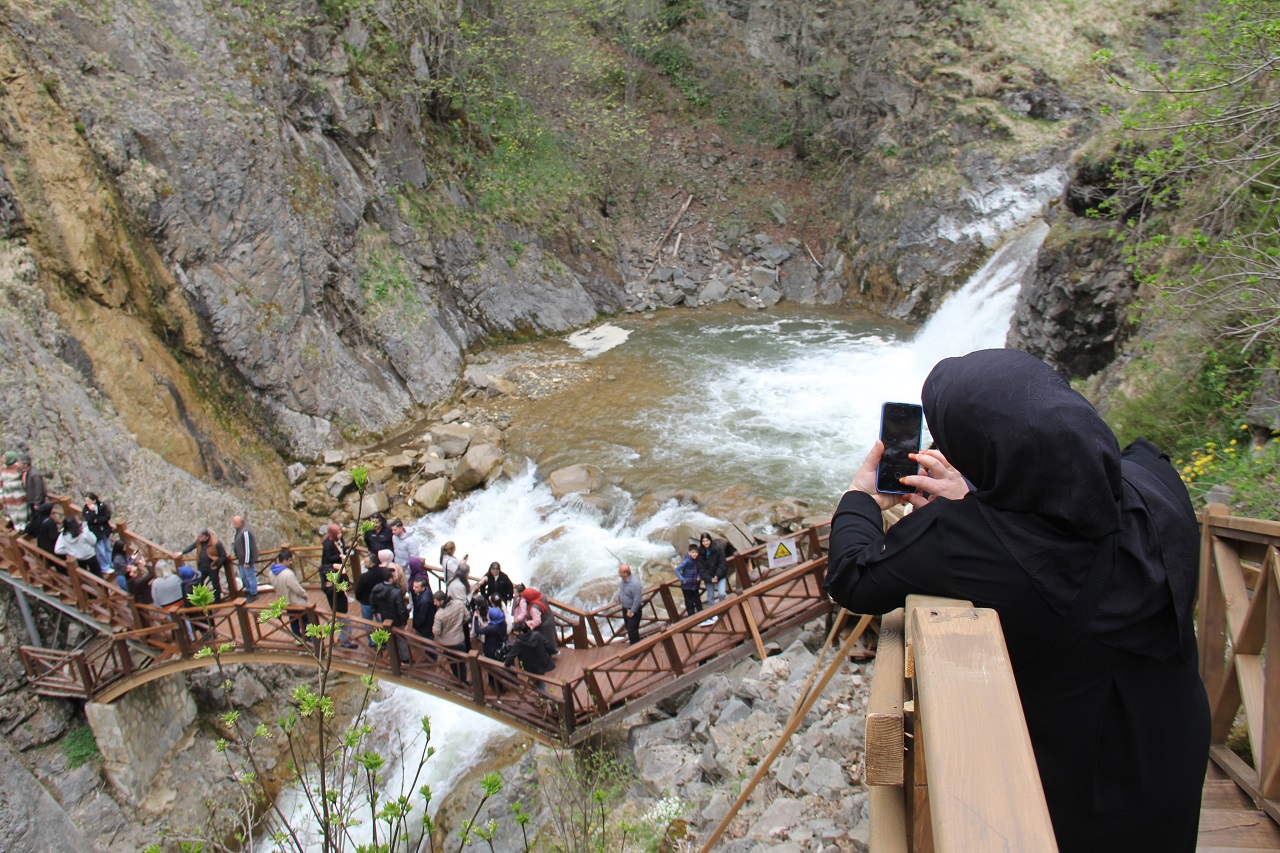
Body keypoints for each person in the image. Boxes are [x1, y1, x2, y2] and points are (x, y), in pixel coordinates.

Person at [823, 349, 1210, 853]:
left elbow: (853, 577)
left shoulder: (972, 541)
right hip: (1173, 744)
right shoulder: (1155, 479)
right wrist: (985, 491)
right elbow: (1076, 500)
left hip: (1081, 771)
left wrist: (860, 496)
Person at [319, 524, 356, 647]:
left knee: (342, 618)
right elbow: (328, 558)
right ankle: (345, 642)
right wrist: (339, 558)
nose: (340, 535)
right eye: (338, 533)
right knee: (343, 618)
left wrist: (345, 551)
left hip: (336, 574)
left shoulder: (339, 540)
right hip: (339, 603)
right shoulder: (327, 545)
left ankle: (343, 639)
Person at [370, 565, 410, 663]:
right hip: (396, 619)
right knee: (400, 639)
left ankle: (392, 655)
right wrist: (404, 622)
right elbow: (401, 609)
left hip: (384, 617)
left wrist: (378, 610)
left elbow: (371, 601)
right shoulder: (396, 592)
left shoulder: (377, 588)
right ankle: (404, 659)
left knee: (389, 635)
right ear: (391, 579)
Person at [177, 530, 228, 603]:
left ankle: (217, 601)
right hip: (202, 566)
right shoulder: (199, 541)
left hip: (212, 567)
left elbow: (223, 555)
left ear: (205, 537)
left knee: (215, 585)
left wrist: (217, 565)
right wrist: (182, 552)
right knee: (198, 583)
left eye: (200, 537)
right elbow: (192, 546)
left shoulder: (216, 543)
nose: (198, 538)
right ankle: (203, 600)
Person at [269, 548, 310, 639]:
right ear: (284, 561)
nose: (291, 562)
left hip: (284, 601)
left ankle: (298, 639)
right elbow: (296, 588)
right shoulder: (288, 574)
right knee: (306, 619)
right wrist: (305, 595)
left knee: (293, 620)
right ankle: (310, 639)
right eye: (289, 560)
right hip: (295, 601)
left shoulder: (271, 572)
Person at [503, 621, 556, 690]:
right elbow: (548, 645)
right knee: (539, 681)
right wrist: (547, 655)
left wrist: (507, 664)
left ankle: (545, 699)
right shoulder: (537, 635)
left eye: (516, 631)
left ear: (521, 632)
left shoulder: (519, 643)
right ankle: (542, 697)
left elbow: (510, 656)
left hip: (530, 668)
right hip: (542, 662)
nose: (515, 633)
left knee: (539, 684)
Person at [432, 591, 468, 682]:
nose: (434, 603)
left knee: (453, 663)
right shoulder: (459, 604)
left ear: (442, 601)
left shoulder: (439, 614)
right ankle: (464, 681)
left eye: (436, 601)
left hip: (447, 643)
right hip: (459, 639)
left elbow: (436, 631)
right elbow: (467, 617)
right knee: (461, 662)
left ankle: (458, 680)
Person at [230, 514, 259, 602]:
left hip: (246, 561)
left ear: (239, 523)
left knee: (250, 576)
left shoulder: (245, 531)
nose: (233, 524)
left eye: (234, 523)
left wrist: (247, 561)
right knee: (244, 577)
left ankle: (254, 593)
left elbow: (247, 547)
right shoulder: (240, 530)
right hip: (241, 560)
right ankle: (248, 591)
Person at [82, 493, 113, 576]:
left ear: (94, 500)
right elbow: (88, 519)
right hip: (95, 532)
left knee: (108, 547)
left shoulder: (102, 506)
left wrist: (97, 520)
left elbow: (107, 516)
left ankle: (110, 563)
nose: (86, 502)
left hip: (104, 530)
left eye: (88, 501)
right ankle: (105, 567)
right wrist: (92, 512)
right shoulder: (86, 509)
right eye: (85, 501)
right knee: (100, 550)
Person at [698, 532, 728, 609]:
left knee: (722, 593)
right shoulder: (700, 553)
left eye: (707, 540)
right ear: (701, 542)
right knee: (710, 596)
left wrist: (717, 576)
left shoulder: (718, 549)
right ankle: (713, 612)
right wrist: (710, 578)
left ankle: (723, 607)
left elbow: (722, 564)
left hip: (720, 575)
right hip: (709, 577)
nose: (705, 543)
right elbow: (701, 569)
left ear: (710, 540)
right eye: (703, 541)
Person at [674, 544, 703, 622]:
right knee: (689, 602)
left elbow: (699, 569)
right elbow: (677, 570)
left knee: (697, 600)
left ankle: (702, 616)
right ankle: (692, 618)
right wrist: (682, 579)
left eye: (696, 552)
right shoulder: (686, 561)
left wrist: (699, 575)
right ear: (689, 553)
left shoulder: (697, 560)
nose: (695, 554)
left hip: (695, 584)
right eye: (693, 552)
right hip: (686, 585)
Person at [617, 563, 643, 644]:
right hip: (625, 609)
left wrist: (632, 612)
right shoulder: (623, 580)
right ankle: (635, 646)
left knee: (632, 632)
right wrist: (619, 599)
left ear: (625, 573)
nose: (618, 573)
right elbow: (622, 591)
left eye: (620, 571)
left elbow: (637, 599)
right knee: (629, 630)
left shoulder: (635, 584)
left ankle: (636, 650)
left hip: (633, 611)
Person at [0, 451, 26, 527]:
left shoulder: (19, 467)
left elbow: (24, 477)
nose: (2, 459)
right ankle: (16, 524)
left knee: (21, 507)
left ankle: (23, 523)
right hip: (8, 493)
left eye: (4, 457)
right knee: (11, 508)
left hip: (18, 492)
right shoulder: (2, 468)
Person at [410, 575, 436, 640]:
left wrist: (417, 623)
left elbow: (421, 617)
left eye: (416, 587)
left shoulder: (424, 601)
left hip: (426, 626)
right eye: (413, 586)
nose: (413, 588)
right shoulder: (424, 592)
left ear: (422, 588)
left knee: (428, 640)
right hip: (427, 622)